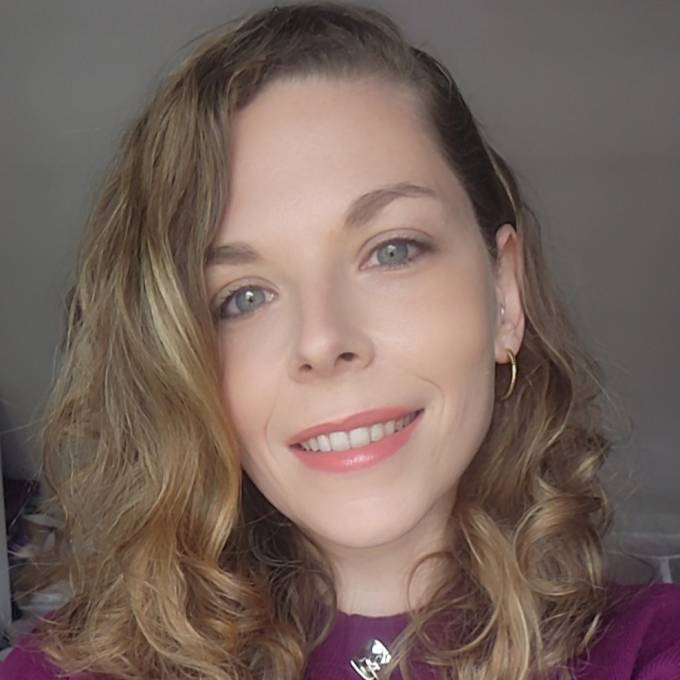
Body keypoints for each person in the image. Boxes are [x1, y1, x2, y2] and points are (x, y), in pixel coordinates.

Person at [2, 2, 680, 679]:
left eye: (391, 250)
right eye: (242, 297)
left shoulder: (652, 649)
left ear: (504, 293)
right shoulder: (59, 670)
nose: (323, 341)